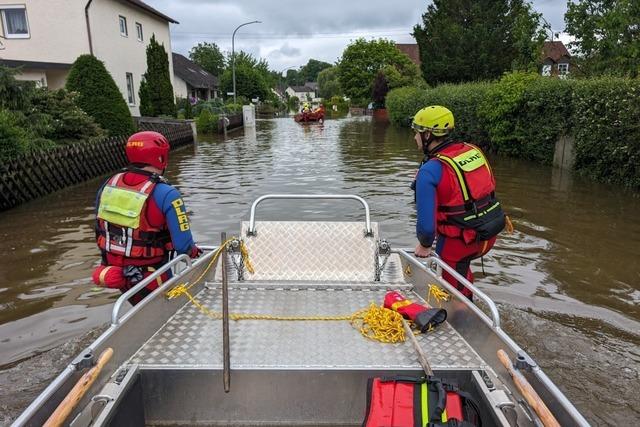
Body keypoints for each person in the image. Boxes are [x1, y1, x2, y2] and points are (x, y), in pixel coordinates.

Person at [93, 131, 201, 305]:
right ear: (161, 158)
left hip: (118, 273)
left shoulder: (108, 185)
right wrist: (194, 251)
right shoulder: (167, 194)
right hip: (153, 275)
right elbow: (184, 246)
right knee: (166, 310)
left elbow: (99, 228)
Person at [411, 106, 505, 300]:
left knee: (451, 293)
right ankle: (468, 296)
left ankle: (461, 318)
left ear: (427, 134)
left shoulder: (429, 171)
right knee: (462, 274)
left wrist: (424, 245)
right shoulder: (472, 150)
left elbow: (427, 230)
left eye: (417, 132)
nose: (414, 137)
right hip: (489, 233)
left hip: (460, 242)